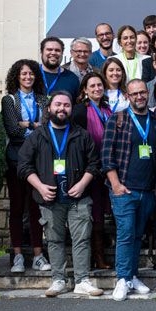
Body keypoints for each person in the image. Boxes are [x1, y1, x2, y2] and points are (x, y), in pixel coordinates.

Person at [17, 91, 103, 297]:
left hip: (79, 198)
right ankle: (58, 280)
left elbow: (94, 164)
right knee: (54, 241)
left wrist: (83, 184)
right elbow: (23, 165)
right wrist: (39, 186)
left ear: (71, 109)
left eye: (66, 105)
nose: (62, 109)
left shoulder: (82, 135)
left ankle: (82, 281)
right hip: (49, 199)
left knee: (82, 240)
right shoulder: (38, 136)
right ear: (49, 108)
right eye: (58, 105)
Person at [101, 79, 156, 298]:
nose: (139, 96)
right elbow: (106, 155)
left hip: (147, 191)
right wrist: (116, 184)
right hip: (124, 190)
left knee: (138, 235)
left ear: (148, 94)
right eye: (134, 93)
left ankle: (132, 275)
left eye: (142, 92)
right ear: (127, 96)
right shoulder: (118, 119)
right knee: (126, 234)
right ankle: (122, 279)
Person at [1, 60, 50, 274]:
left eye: (31, 73)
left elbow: (47, 128)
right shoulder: (9, 100)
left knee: (35, 207)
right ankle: (18, 255)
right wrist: (33, 125)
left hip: (38, 159)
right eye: (24, 74)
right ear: (17, 77)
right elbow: (13, 130)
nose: (28, 77)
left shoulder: (43, 100)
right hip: (16, 159)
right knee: (17, 207)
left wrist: (26, 125)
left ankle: (39, 255)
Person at [70, 72, 113, 270]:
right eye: (92, 86)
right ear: (85, 90)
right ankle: (95, 256)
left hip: (107, 169)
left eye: (99, 85)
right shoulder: (79, 111)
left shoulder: (107, 110)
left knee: (102, 213)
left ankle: (100, 253)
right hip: (89, 170)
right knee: (92, 214)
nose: (97, 89)